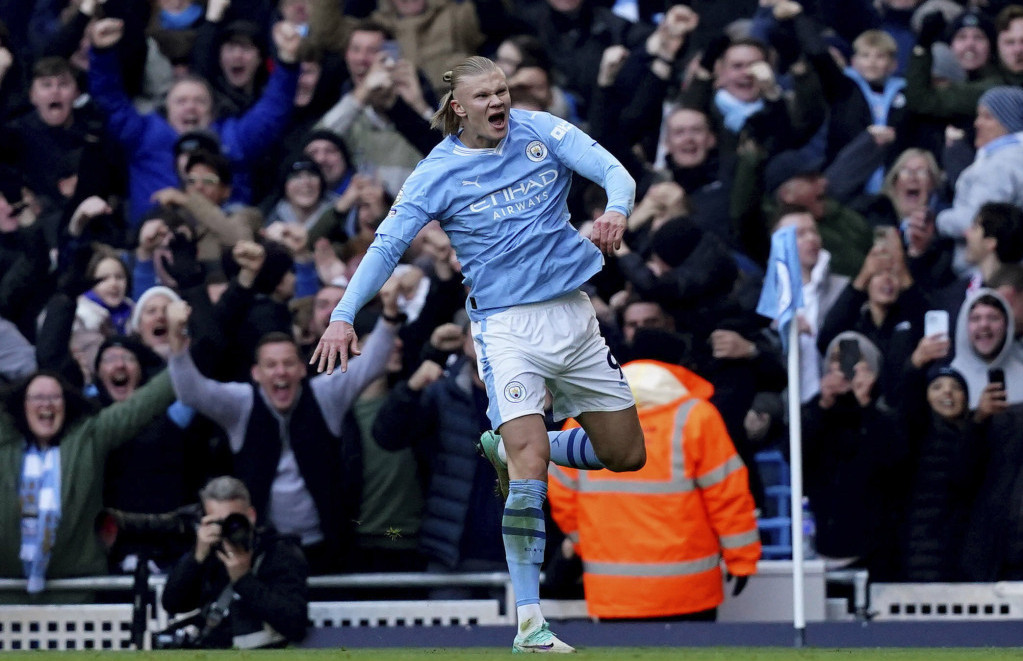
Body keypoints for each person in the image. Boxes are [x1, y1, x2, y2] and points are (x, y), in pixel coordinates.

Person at [312, 55, 645, 653]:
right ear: (458, 108)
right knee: (529, 463)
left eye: (503, 91)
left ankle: (513, 446)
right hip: (506, 328)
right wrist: (342, 315)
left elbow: (615, 172)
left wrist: (615, 210)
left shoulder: (541, 131)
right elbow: (387, 248)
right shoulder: (436, 172)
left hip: (574, 316)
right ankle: (530, 622)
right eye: (485, 96)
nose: (499, 102)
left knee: (625, 455)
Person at [548, 358, 761, 621]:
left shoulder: (582, 422)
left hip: (613, 592)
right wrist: (742, 560)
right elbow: (728, 496)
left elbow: (561, 498)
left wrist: (587, 545)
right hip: (690, 591)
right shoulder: (696, 418)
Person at [161, 476, 308, 649]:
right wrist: (197, 557)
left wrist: (244, 579)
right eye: (218, 523)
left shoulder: (279, 553)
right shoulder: (208, 553)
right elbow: (173, 603)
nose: (228, 529)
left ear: (251, 516)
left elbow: (295, 625)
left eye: (235, 521)